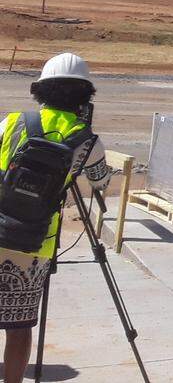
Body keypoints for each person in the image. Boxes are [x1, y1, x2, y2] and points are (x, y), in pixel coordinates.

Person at [0, 53, 109, 383]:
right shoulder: (88, 141)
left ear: (40, 91)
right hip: (34, 245)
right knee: (19, 328)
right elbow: (101, 182)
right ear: (85, 97)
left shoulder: (13, 121)